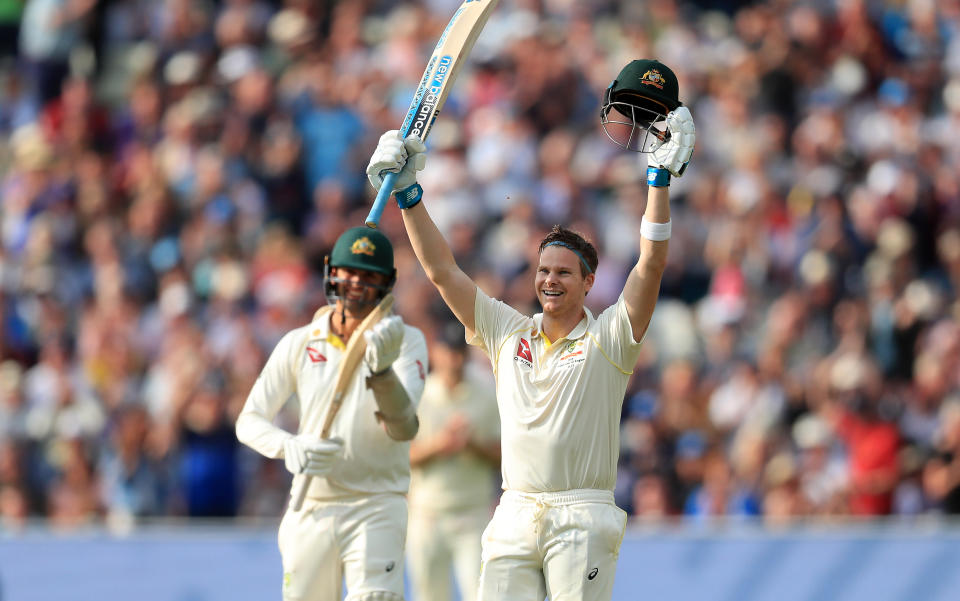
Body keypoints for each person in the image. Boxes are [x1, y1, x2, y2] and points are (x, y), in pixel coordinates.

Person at [366, 59, 695, 600]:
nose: (550, 281)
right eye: (544, 271)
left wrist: (658, 182)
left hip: (582, 514)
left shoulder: (610, 337)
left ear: (588, 282)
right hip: (514, 511)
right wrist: (408, 196)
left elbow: (650, 266)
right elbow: (442, 272)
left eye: (564, 273)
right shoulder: (505, 331)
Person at [235, 226, 428, 601]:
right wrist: (289, 446)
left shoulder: (406, 341)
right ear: (331, 271)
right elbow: (249, 420)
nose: (356, 282)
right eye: (349, 271)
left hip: (377, 501)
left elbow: (404, 428)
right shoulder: (300, 342)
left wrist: (384, 374)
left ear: (387, 282)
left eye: (368, 275)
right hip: (312, 505)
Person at [406, 322, 501, 601]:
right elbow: (401, 457)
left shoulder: (485, 393)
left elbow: (503, 456)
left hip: (471, 515)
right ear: (436, 353)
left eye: (460, 353)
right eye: (449, 353)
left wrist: (471, 444)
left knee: (480, 594)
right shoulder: (419, 394)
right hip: (426, 515)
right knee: (429, 596)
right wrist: (441, 445)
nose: (455, 360)